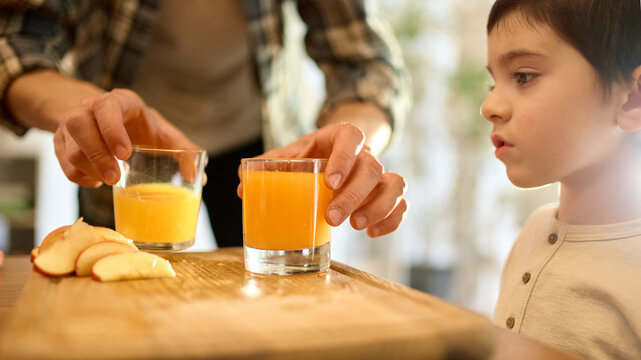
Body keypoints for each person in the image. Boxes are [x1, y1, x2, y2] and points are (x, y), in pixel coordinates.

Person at [0, 0, 411, 247]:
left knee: (275, 311)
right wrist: (88, 111)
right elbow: (14, 40)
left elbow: (366, 64)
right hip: (126, 152)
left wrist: (355, 143)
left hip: (264, 149)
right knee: (121, 317)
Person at [481, 0, 641, 358]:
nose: (489, 105)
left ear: (631, 100)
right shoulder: (532, 232)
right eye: (491, 82)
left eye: (523, 76)